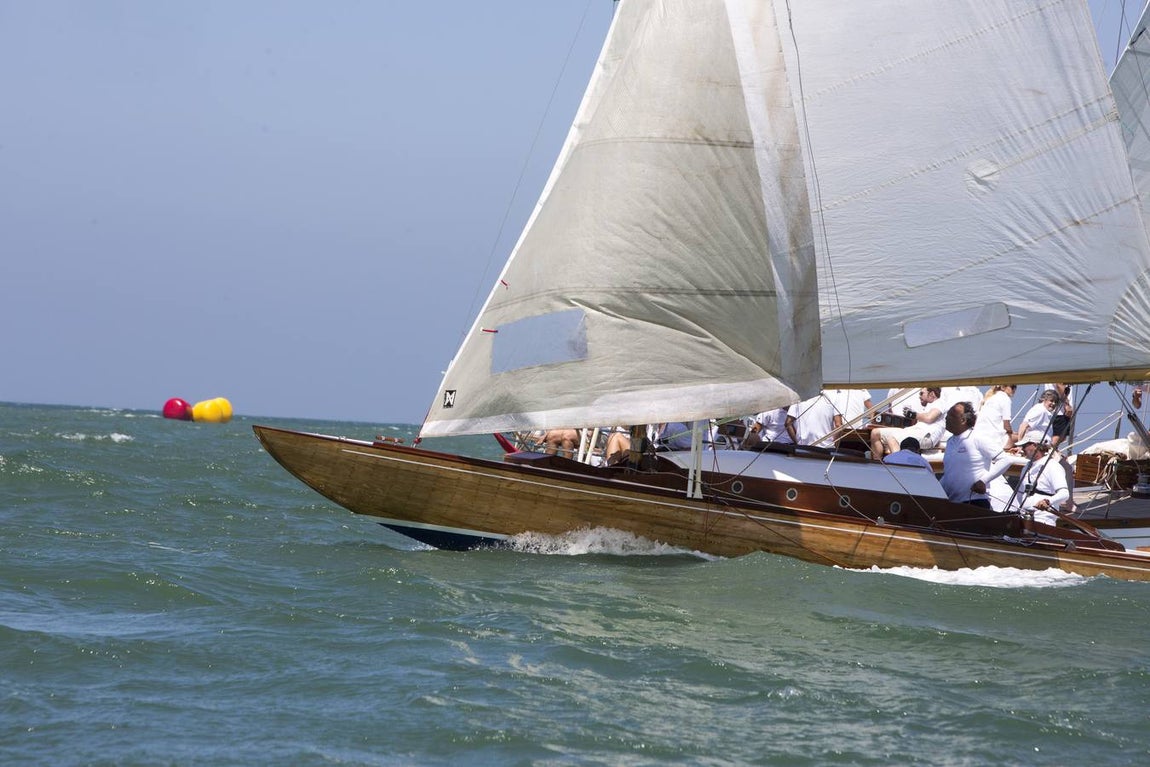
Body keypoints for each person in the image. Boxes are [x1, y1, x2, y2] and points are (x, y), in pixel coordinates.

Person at [940, 401, 1010, 508]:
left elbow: (1005, 460)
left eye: (951, 415)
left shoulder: (977, 437)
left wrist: (983, 481)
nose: (946, 418)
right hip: (952, 504)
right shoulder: (950, 442)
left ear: (963, 420)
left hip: (974, 502)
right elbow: (949, 474)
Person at [870, 387, 947, 459]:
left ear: (932, 394)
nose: (919, 396)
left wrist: (913, 414)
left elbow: (929, 418)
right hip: (915, 430)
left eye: (921, 393)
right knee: (875, 433)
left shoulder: (939, 403)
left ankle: (898, 467)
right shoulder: (927, 406)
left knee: (892, 439)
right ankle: (877, 463)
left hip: (926, 436)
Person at [1009, 435, 1069, 527]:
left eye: (1024, 446)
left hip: (1043, 519)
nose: (1022, 449)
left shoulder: (1052, 466)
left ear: (1035, 445)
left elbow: (1065, 494)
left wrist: (1048, 501)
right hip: (1023, 518)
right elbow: (1020, 494)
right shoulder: (1026, 467)